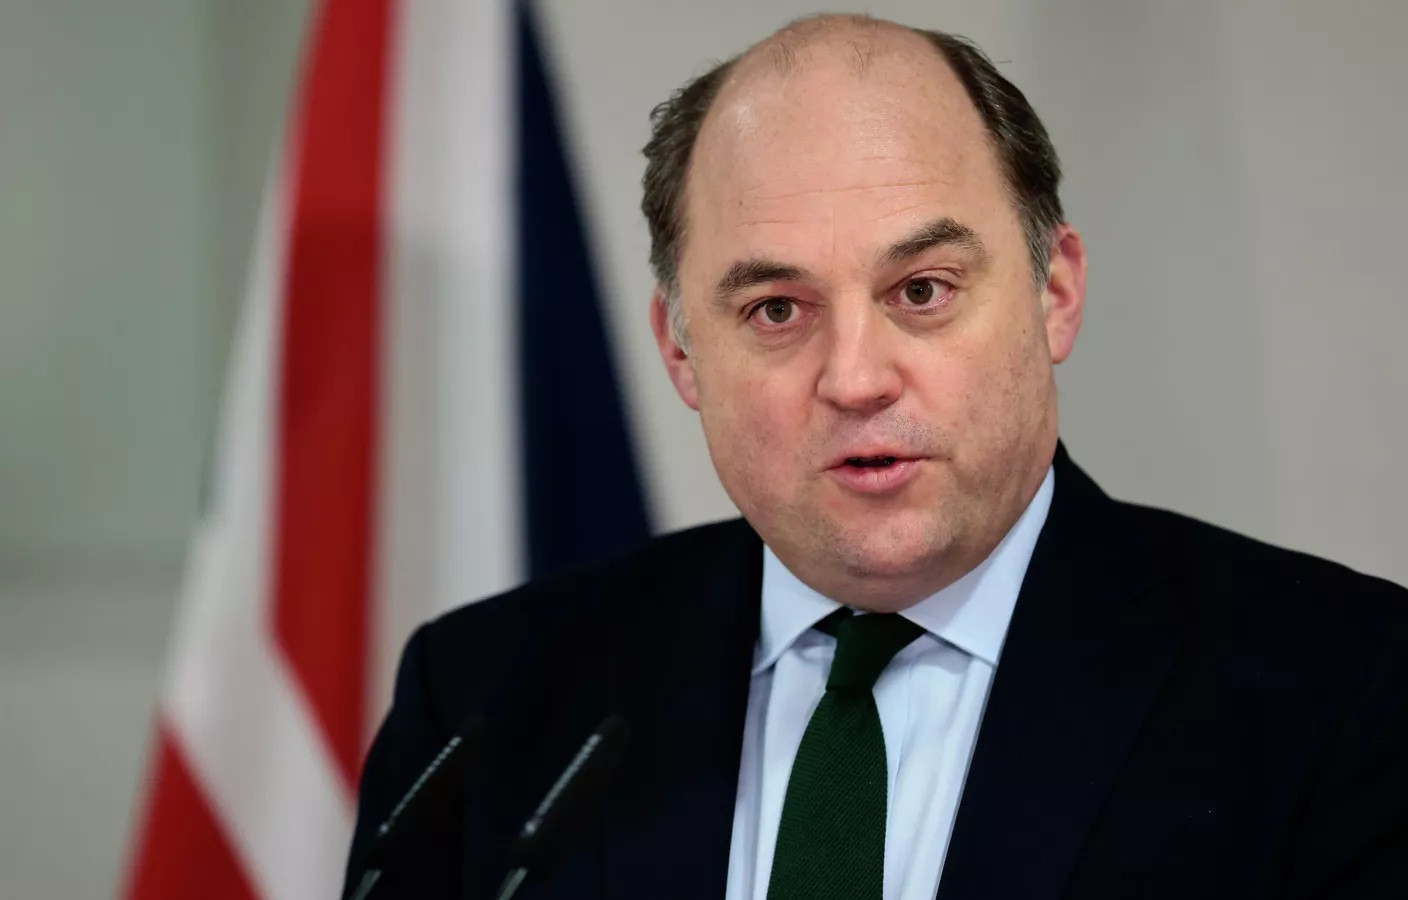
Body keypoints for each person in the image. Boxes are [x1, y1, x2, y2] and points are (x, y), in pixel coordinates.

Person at [345, 14, 1408, 899]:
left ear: (1054, 293)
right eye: (776, 309)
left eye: (922, 291)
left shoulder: (1344, 693)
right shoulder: (486, 701)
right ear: (681, 350)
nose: (855, 377)